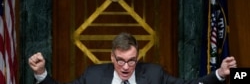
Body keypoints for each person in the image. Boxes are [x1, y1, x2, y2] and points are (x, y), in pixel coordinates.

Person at [29, 32, 237, 84]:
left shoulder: (154, 74)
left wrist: (219, 74)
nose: (126, 66)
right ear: (112, 57)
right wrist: (41, 74)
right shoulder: (93, 75)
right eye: (121, 60)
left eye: (132, 60)